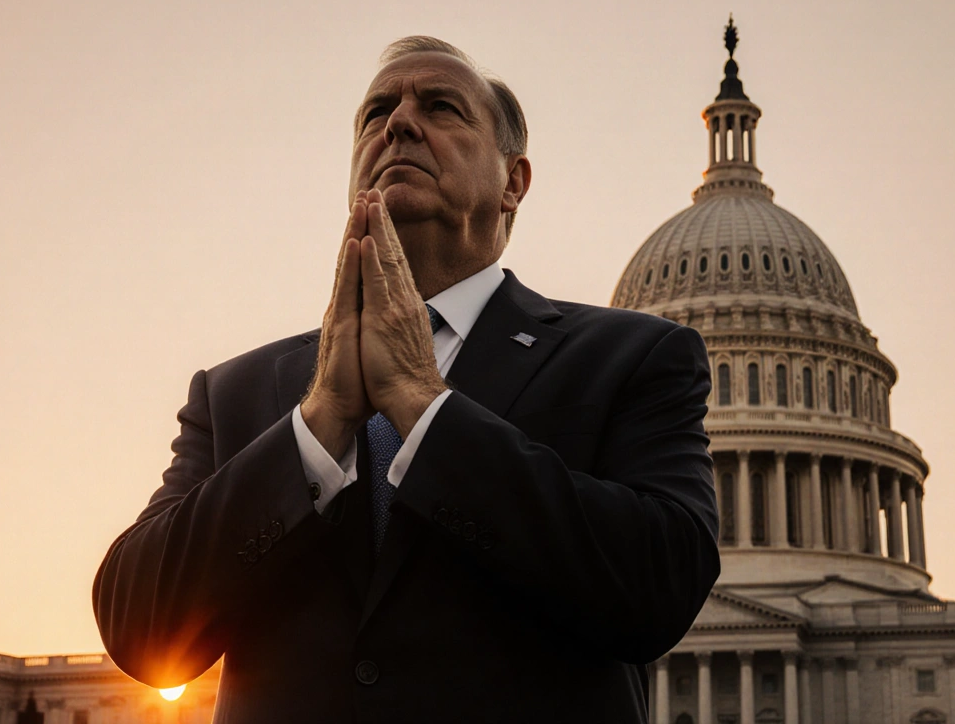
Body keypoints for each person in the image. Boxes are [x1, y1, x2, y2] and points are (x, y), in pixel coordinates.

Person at [92, 36, 720, 723]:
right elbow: (141, 629)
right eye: (376, 112)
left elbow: (661, 588)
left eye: (442, 106)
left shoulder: (633, 356)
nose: (398, 122)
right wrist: (318, 423)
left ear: (514, 182)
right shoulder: (235, 391)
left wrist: (427, 412)